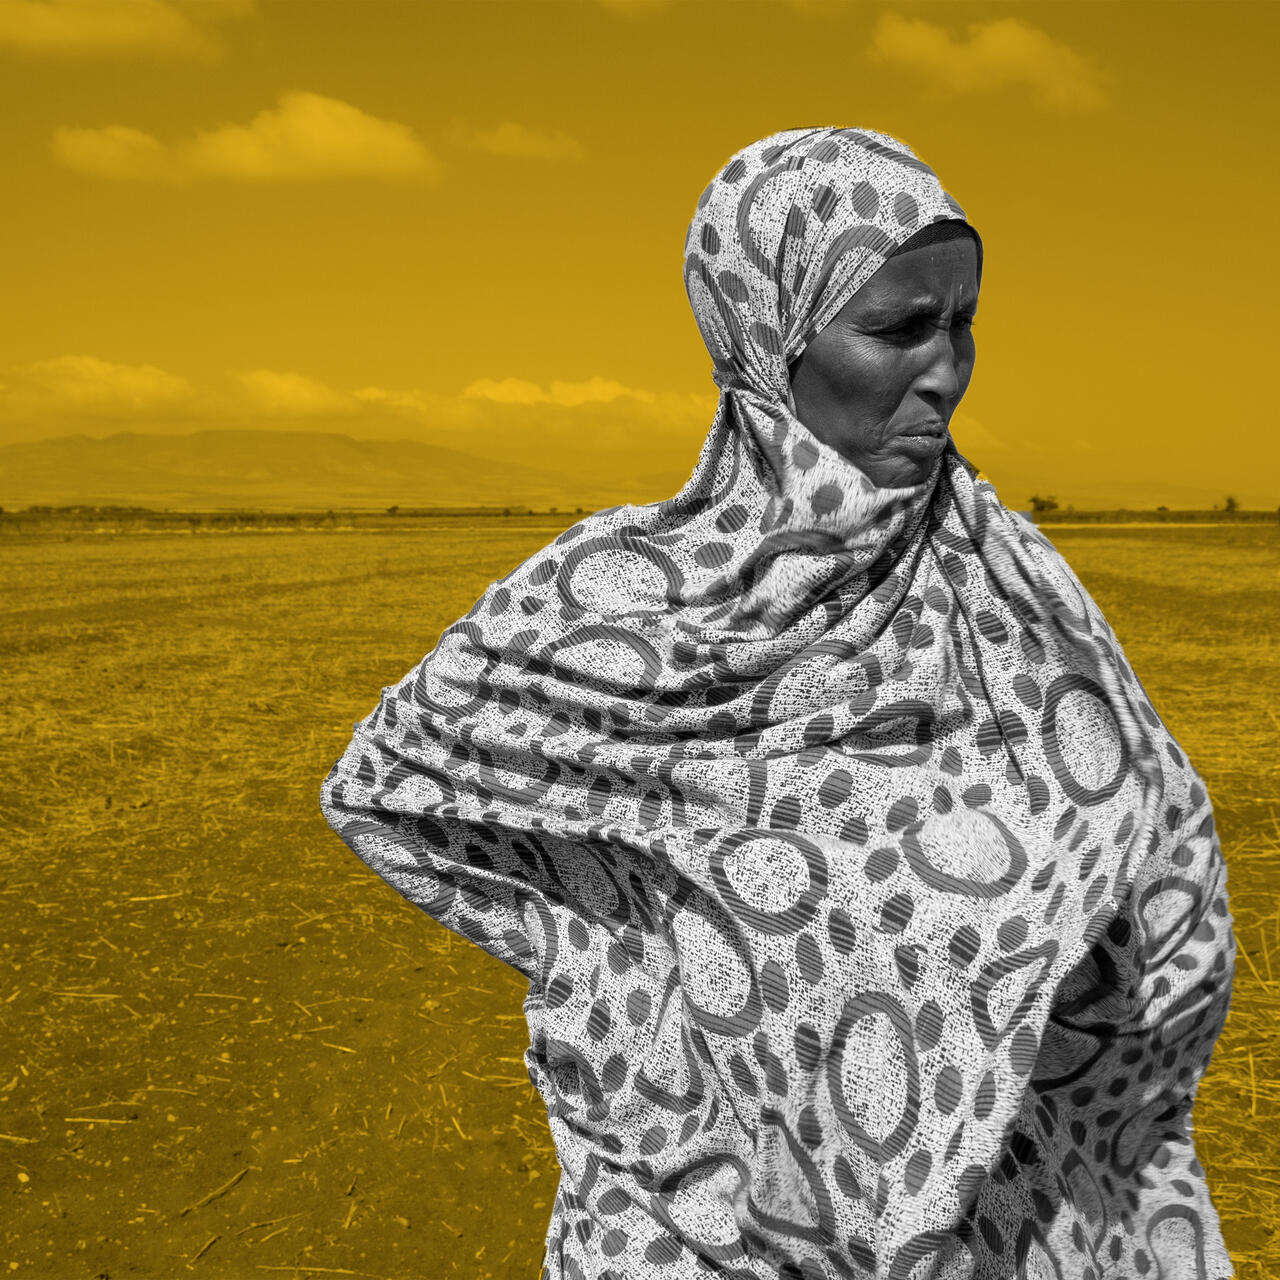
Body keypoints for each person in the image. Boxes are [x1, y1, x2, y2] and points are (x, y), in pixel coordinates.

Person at [319, 128, 1236, 1280]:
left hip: (988, 1216)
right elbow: (392, 780)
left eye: (960, 323)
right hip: (691, 1227)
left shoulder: (1004, 586)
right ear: (770, 334)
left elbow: (1149, 851)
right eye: (898, 329)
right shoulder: (627, 600)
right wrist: (611, 958)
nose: (945, 370)